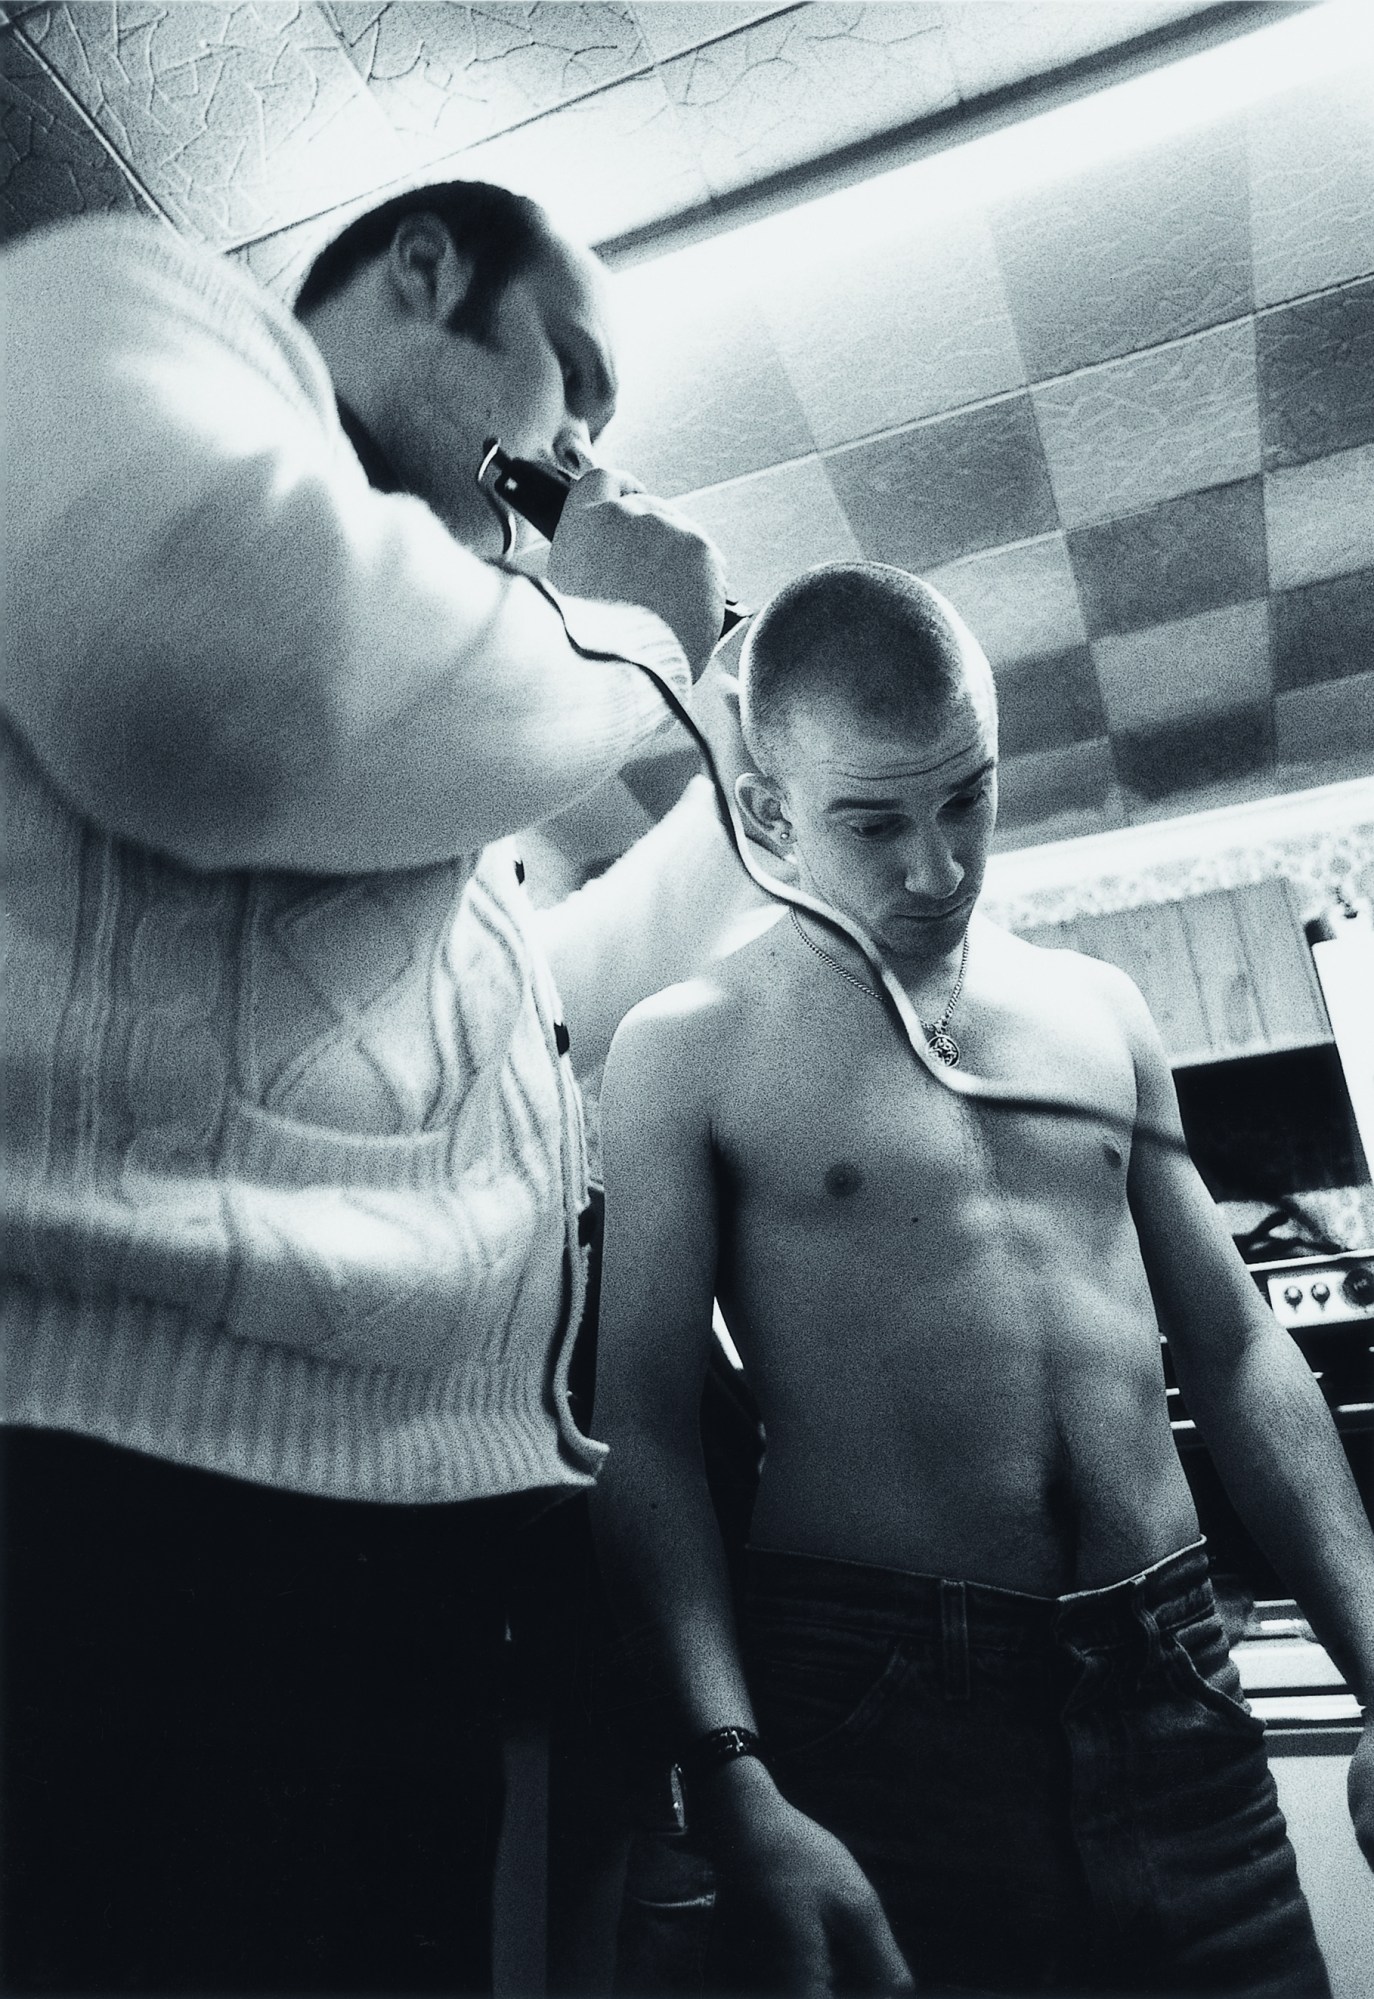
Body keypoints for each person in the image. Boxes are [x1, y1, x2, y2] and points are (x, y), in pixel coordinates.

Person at [0, 179, 760, 1993]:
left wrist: (729, 739)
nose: (581, 445)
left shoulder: (435, 741)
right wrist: (626, 632)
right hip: (125, 1524)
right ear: (425, 272)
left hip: (386, 1559)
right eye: (570, 375)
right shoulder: (131, 304)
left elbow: (539, 1042)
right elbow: (199, 673)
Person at [589, 563, 1374, 1997]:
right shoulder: (680, 1048)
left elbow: (1235, 1344)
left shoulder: (1097, 1009)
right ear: (766, 813)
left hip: (1173, 1670)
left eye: (966, 800)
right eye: (873, 822)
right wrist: (729, 1767)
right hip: (877, 1699)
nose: (936, 869)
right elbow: (641, 1425)